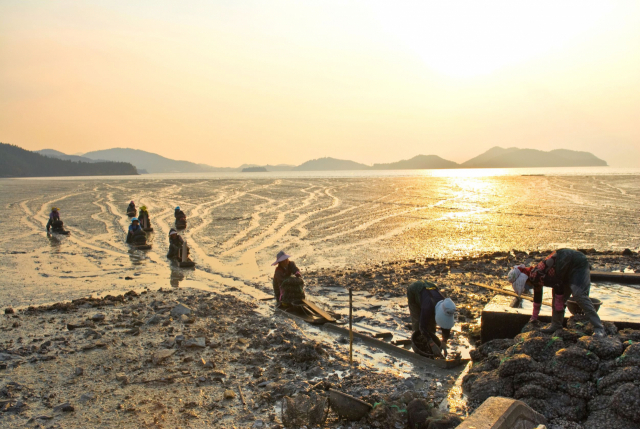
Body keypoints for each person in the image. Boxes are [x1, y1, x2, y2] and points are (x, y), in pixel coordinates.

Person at [507, 248, 604, 336]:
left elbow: (558, 285)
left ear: (524, 279)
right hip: (564, 271)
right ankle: (556, 325)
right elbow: (537, 299)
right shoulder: (534, 276)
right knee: (557, 297)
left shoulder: (535, 275)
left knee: (579, 295)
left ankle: (599, 327)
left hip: (576, 262)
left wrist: (559, 304)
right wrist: (534, 318)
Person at [407, 280, 456, 357]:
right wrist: (432, 344)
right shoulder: (428, 307)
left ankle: (429, 343)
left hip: (429, 289)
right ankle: (421, 347)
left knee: (431, 327)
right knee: (418, 324)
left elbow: (446, 325)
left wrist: (444, 341)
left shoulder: (446, 307)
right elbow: (422, 327)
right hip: (415, 290)